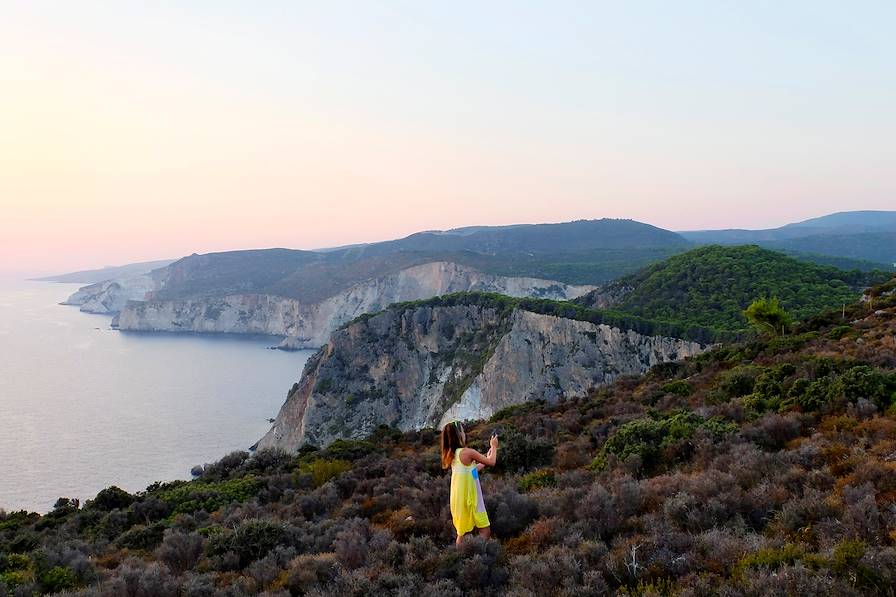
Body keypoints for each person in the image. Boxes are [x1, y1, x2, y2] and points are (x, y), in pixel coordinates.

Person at [441, 420, 499, 545]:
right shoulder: (467, 452)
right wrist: (494, 446)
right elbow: (493, 462)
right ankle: (477, 553)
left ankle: (459, 557)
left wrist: (484, 460)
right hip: (471, 497)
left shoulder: (452, 454)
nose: (464, 433)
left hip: (458, 498)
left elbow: (470, 472)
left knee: (461, 534)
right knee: (485, 531)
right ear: (458, 435)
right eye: (462, 431)